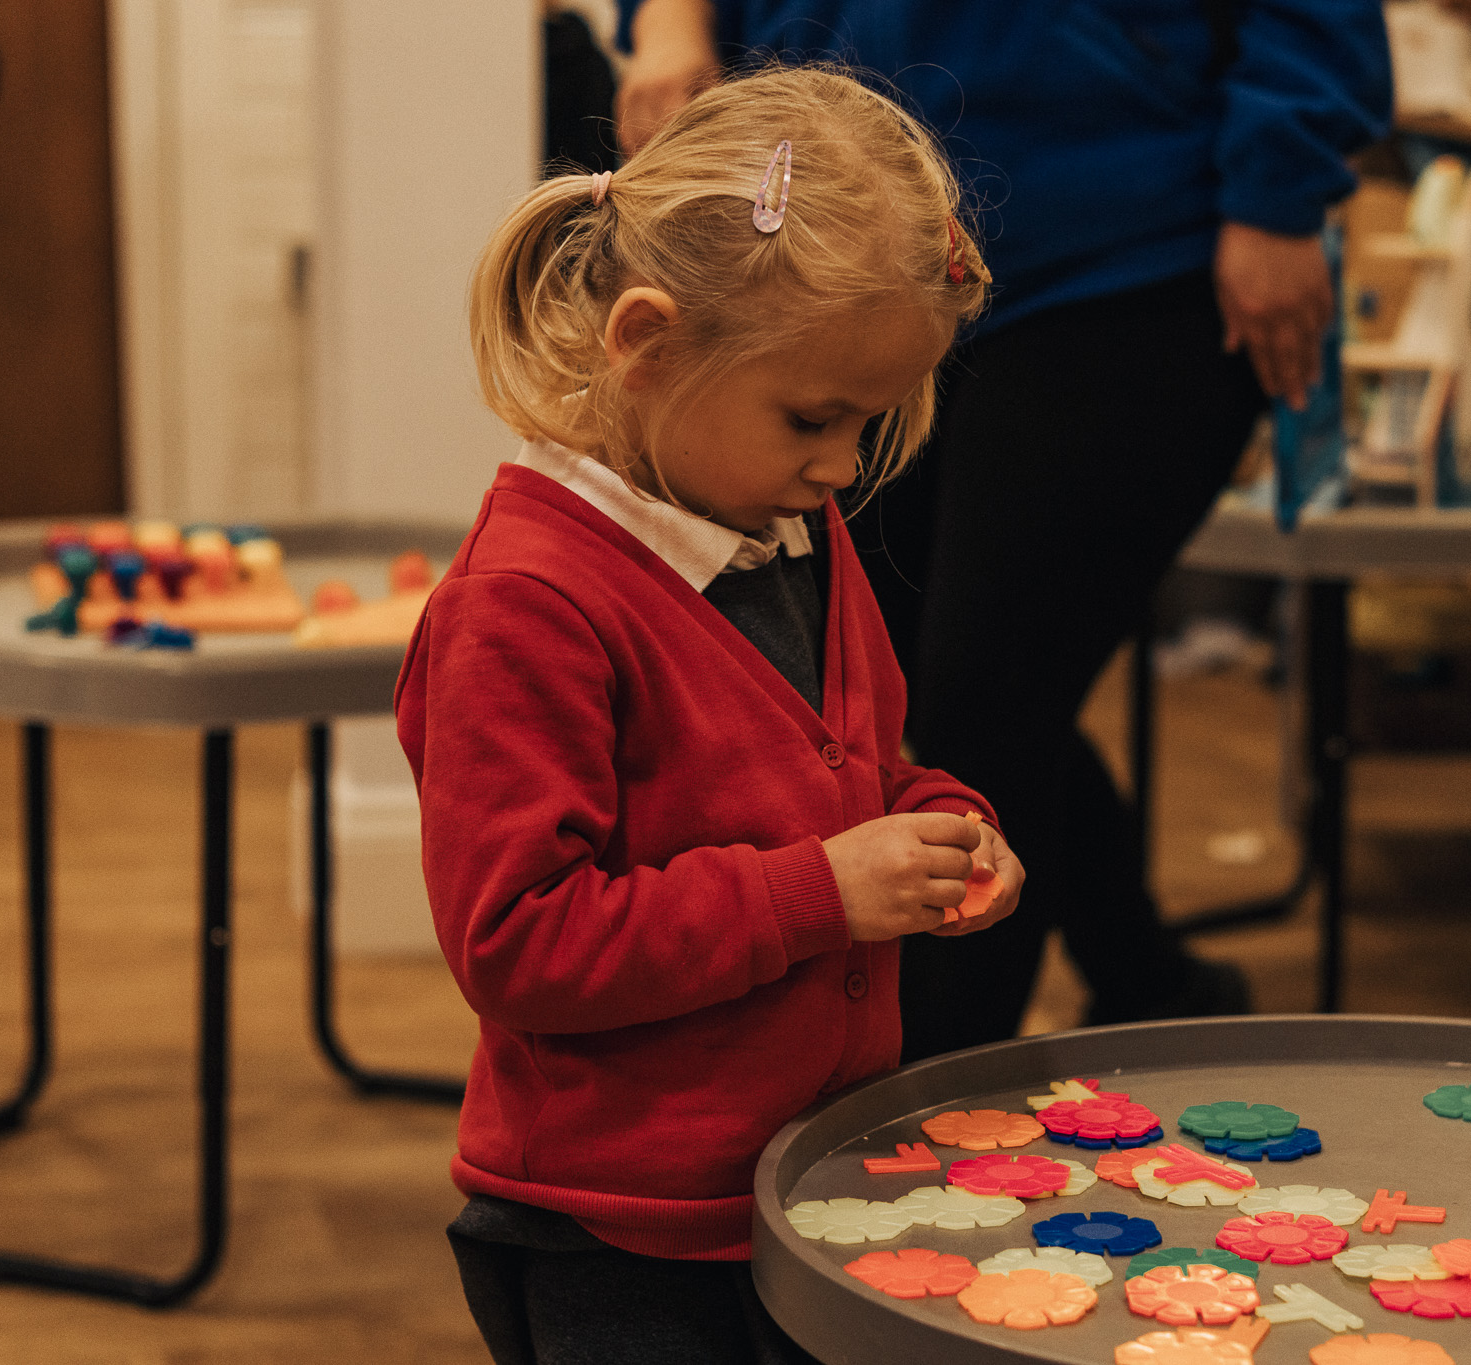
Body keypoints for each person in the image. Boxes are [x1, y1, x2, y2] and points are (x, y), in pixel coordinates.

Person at [615, 0, 1392, 1059]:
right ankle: (1143, 974)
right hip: (848, 251)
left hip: (1123, 247)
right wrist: (668, 20)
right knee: (909, 687)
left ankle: (927, 1103)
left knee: (986, 694)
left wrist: (1279, 187)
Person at [395, 65, 1021, 1365]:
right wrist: (821, 894)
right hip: (613, 1239)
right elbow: (519, 942)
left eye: (875, 420)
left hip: (799, 1188)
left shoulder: (787, 519)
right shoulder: (524, 607)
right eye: (816, 418)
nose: (848, 467)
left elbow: (846, 779)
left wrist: (938, 820)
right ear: (646, 343)